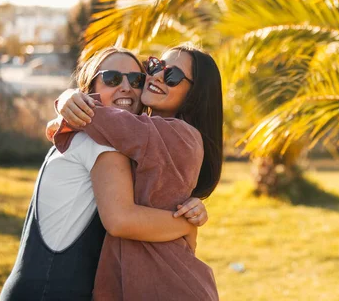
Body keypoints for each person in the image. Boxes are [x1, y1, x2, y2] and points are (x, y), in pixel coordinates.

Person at [0, 47, 209, 301]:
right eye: (112, 78)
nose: (126, 87)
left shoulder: (90, 137)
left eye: (136, 79)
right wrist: (185, 224)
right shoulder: (101, 144)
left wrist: (191, 207)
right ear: (88, 89)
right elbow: (121, 219)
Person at [53, 44, 222, 300]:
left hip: (169, 284)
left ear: (194, 94)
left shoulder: (175, 134)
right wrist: (185, 224)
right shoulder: (149, 135)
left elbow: (97, 117)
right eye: (155, 66)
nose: (157, 76)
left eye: (172, 75)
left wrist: (67, 101)